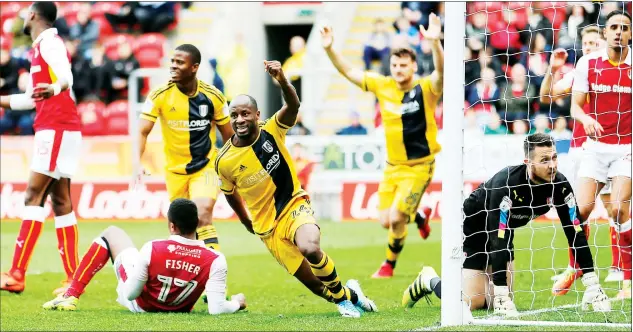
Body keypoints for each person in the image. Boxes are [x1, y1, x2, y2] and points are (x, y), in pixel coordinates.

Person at [215, 60, 376, 318]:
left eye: (245, 113)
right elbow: (229, 193)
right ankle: (351, 295)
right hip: (267, 228)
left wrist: (281, 79)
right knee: (315, 285)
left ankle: (343, 303)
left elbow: (293, 105)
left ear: (257, 115)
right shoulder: (224, 161)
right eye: (234, 115)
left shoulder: (272, 130)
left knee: (310, 247)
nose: (239, 119)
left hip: (293, 204)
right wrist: (246, 220)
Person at [401, 134, 610, 317]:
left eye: (554, 157)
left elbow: (574, 232)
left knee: (492, 303)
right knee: (474, 302)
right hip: (475, 227)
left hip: (503, 230)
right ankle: (429, 280)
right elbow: (496, 235)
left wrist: (592, 283)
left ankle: (494, 291)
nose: (552, 165)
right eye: (544, 160)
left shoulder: (560, 186)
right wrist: (501, 293)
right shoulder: (507, 184)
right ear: (528, 162)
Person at [321, 14, 443, 278]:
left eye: (403, 65)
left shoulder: (426, 89)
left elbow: (441, 74)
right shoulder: (383, 85)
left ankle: (389, 265)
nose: (398, 69)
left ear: (413, 67)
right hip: (392, 167)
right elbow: (348, 72)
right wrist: (330, 48)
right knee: (385, 221)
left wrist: (435, 43)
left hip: (420, 166)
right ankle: (420, 216)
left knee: (398, 219)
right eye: (395, 64)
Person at [0, 2, 81, 295]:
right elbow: (31, 98)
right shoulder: (41, 47)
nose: (23, 15)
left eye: (26, 11)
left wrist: (54, 89)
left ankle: (16, 274)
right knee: (60, 201)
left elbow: (67, 78)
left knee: (33, 195)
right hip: (61, 126)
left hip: (56, 128)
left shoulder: (50, 43)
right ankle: (73, 278)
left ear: (33, 14)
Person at [42, 198, 246, 314]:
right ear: (197, 224)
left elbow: (131, 294)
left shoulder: (153, 248)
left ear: (172, 225)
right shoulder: (215, 259)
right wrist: (237, 302)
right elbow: (217, 309)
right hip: (179, 308)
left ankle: (71, 295)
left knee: (112, 233)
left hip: (140, 306)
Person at [540, 25, 623, 288]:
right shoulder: (580, 72)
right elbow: (546, 96)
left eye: (594, 42)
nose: (589, 47)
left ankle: (619, 266)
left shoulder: (616, 71)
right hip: (580, 149)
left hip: (613, 146)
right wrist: (552, 70)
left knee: (615, 209)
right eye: (585, 43)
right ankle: (575, 266)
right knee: (578, 209)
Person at [137, 44, 234, 251]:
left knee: (203, 213)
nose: (173, 66)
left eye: (179, 62)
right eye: (172, 61)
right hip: (174, 171)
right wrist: (136, 162)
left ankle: (215, 275)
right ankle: (189, 276)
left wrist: (233, 168)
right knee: (181, 228)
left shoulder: (213, 96)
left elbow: (229, 137)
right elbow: (142, 131)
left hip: (206, 167)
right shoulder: (159, 95)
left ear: (194, 67)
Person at [570, 10, 631, 300]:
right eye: (614, 27)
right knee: (579, 212)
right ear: (605, 33)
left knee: (619, 210)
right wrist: (586, 120)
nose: (619, 31)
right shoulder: (587, 62)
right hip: (595, 147)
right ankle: (583, 274)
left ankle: (628, 277)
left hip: (626, 148)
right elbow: (575, 107)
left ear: (630, 34)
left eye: (625, 27)